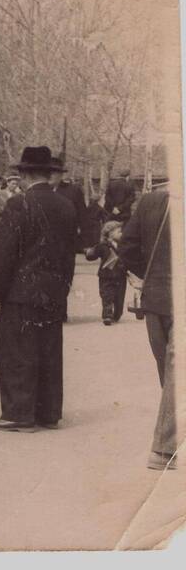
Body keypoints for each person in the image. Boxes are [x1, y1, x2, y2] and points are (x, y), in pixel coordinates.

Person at [0, 146, 76, 432]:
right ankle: (48, 413)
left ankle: (18, 414)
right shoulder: (66, 205)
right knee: (49, 350)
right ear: (49, 173)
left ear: (24, 174)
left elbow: (5, 253)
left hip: (21, 290)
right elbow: (69, 253)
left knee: (17, 352)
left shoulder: (18, 204)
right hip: (53, 290)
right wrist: (63, 289)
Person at [118, 186, 177, 470]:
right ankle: (165, 448)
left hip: (155, 297)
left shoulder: (151, 199)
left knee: (169, 370)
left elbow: (127, 246)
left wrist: (149, 276)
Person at [85, 221, 128, 326]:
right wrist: (89, 253)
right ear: (109, 233)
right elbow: (92, 255)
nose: (121, 234)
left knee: (119, 296)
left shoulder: (123, 245)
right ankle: (107, 315)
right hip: (106, 276)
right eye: (118, 232)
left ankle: (117, 314)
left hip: (120, 275)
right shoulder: (103, 246)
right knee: (107, 295)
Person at [51, 157, 88, 250]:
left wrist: (83, 239)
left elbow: (83, 215)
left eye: (54, 173)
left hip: (67, 238)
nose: (50, 175)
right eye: (46, 173)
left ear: (61, 174)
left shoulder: (73, 190)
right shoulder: (39, 191)